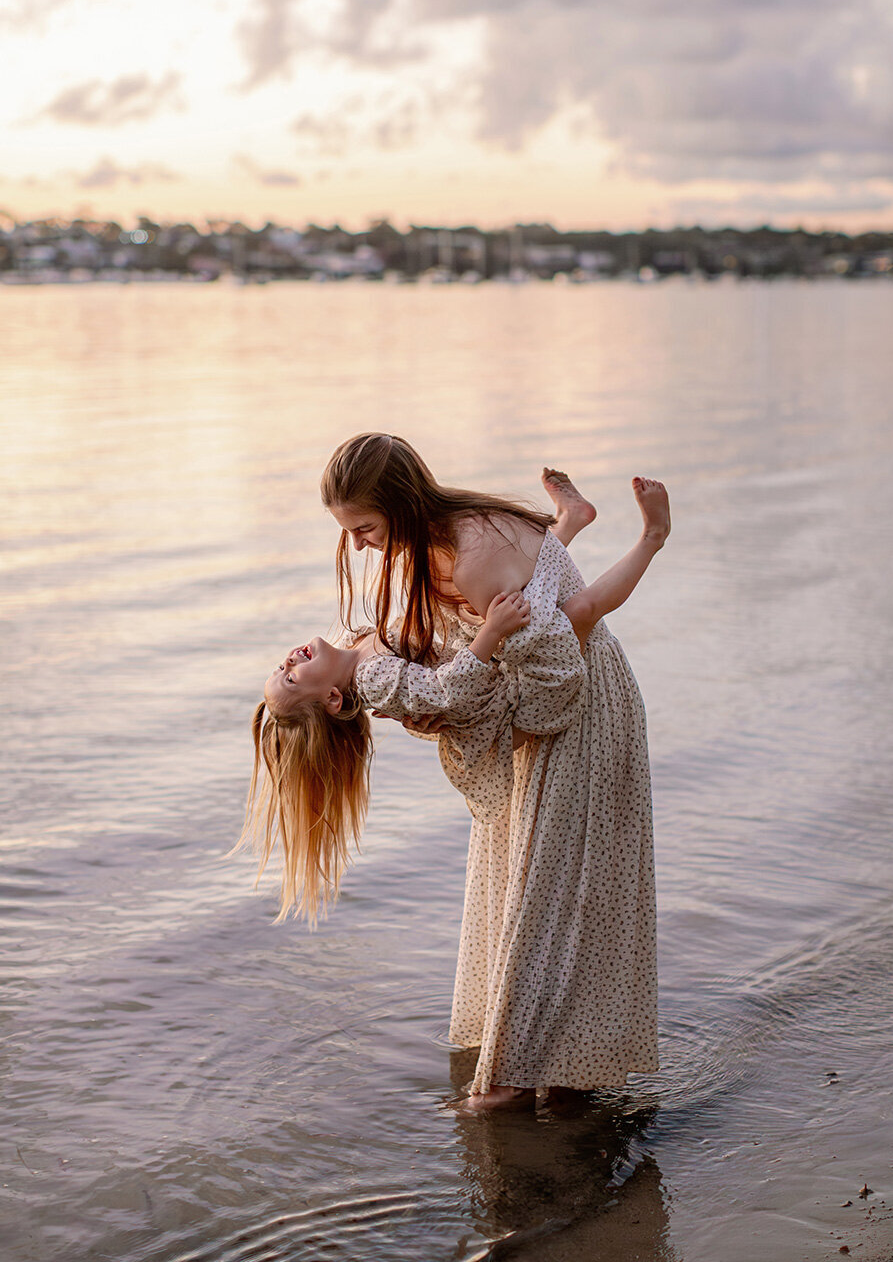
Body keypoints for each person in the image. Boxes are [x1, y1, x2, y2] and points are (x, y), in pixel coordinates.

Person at [243, 442, 669, 1112]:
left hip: (569, 711)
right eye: (350, 534)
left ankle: (518, 1080)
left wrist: (518, 723)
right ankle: (544, 1067)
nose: (357, 549)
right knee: (537, 903)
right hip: (532, 700)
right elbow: (477, 655)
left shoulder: (465, 560)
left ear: (402, 507)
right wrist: (490, 672)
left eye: (365, 531)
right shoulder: (420, 578)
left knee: (547, 904)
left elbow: (557, 659)